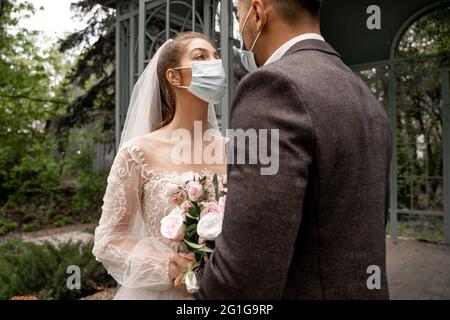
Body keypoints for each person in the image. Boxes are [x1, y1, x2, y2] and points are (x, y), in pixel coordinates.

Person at [171, 0, 391, 299]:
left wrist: (197, 288)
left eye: (238, 13)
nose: (240, 25)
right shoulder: (363, 94)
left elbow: (243, 281)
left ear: (258, 13)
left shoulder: (272, 88)